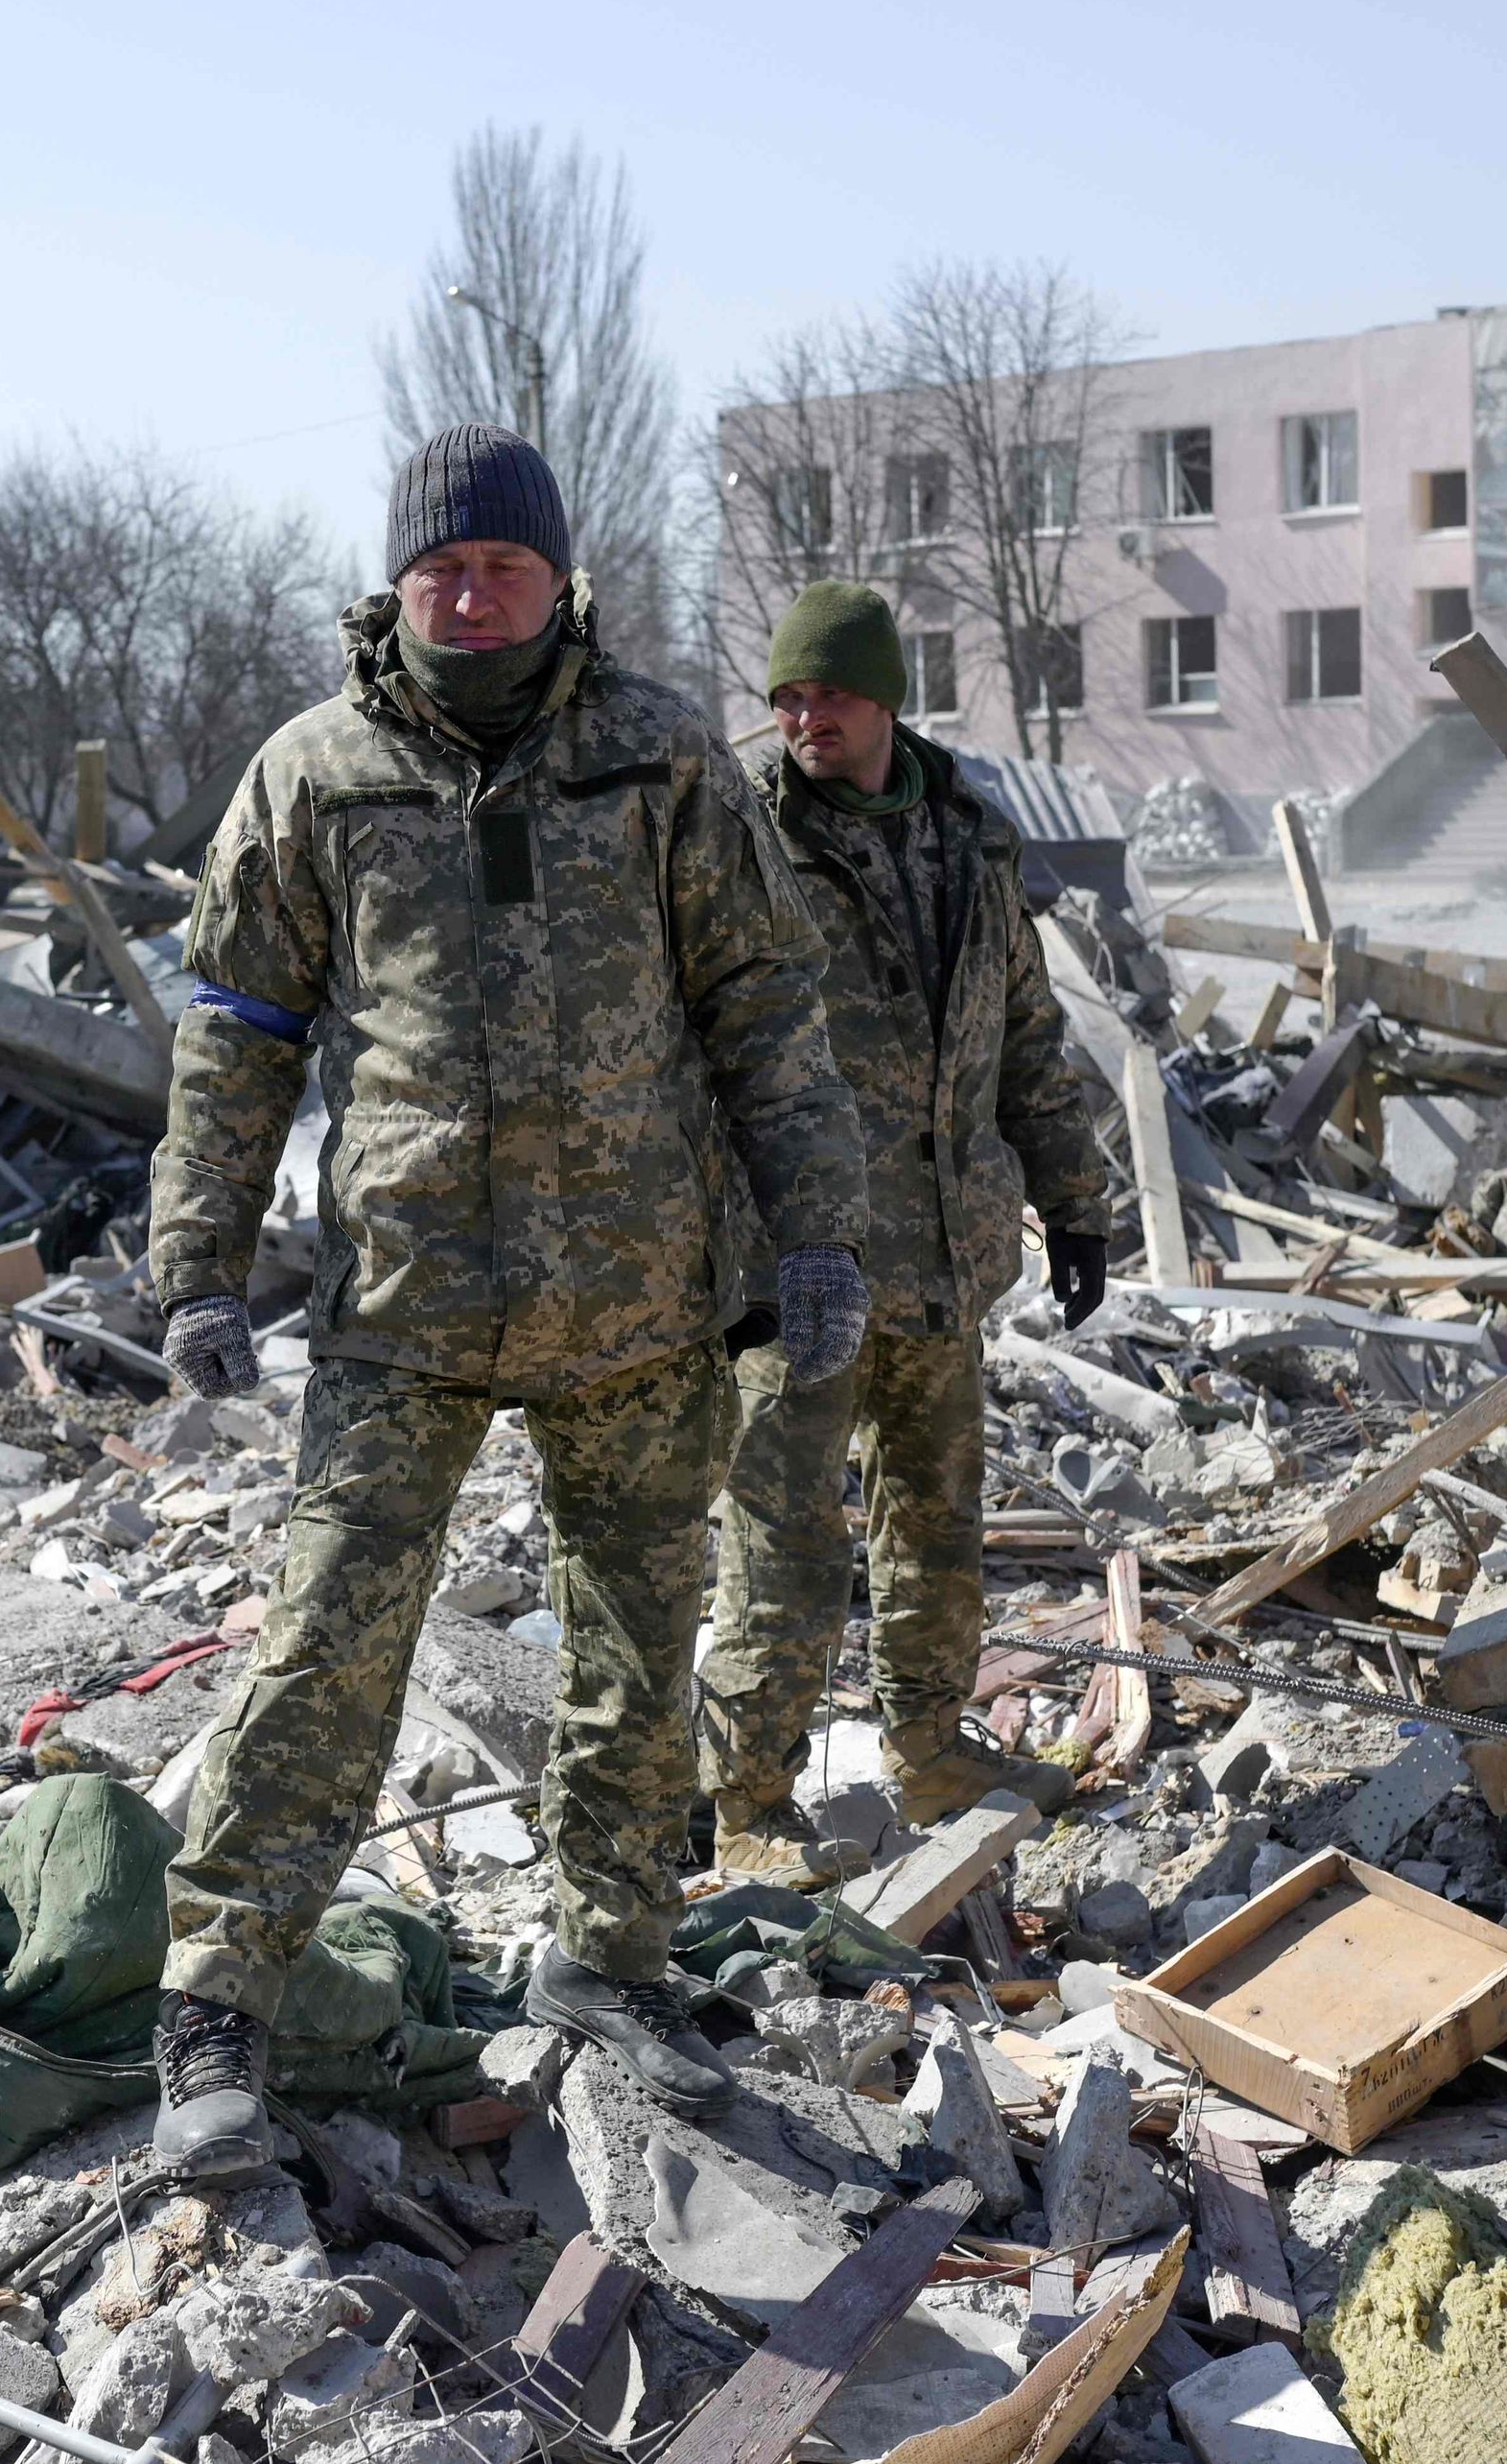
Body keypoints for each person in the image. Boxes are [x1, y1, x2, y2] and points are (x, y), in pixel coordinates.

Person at [147, 426, 868, 2163]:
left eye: (505, 568)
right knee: (327, 1640)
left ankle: (607, 1960)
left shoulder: (662, 758)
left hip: (635, 1301)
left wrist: (814, 1233)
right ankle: (215, 2004)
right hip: (401, 1302)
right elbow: (235, 1040)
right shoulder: (313, 777)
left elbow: (766, 1006)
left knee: (638, 1643)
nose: (473, 597)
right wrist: (196, 1263)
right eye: (442, 569)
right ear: (395, 586)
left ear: (561, 581)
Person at [697, 582, 1115, 1884]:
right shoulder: (739, 841)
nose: (804, 717)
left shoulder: (970, 842)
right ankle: (749, 1804)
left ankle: (932, 1749)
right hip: (793, 1261)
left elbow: (1029, 1038)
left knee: (935, 1519)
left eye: (828, 693)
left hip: (939, 1249)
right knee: (784, 1532)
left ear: (885, 697)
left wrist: (1077, 1195)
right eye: (787, 697)